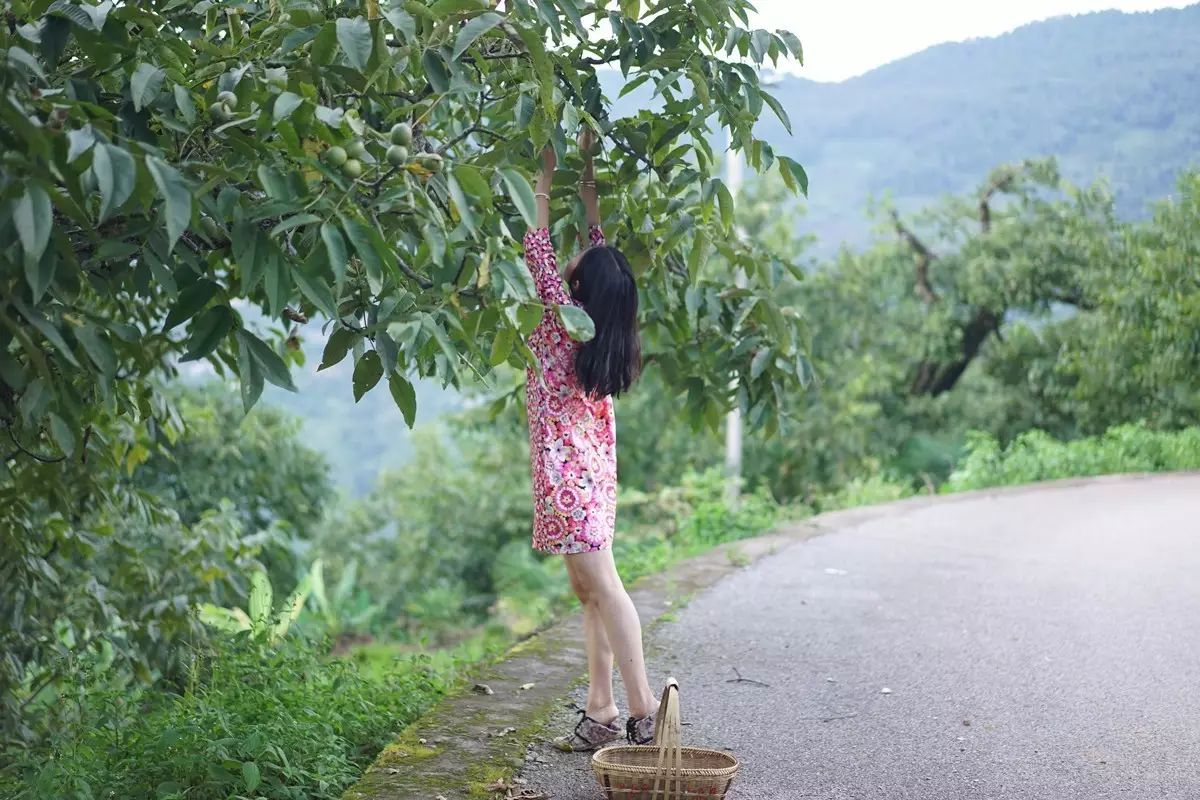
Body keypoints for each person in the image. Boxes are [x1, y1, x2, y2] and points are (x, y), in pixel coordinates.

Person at [523, 129, 657, 751]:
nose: (576, 255)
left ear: (575, 291)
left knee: (603, 587)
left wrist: (543, 180)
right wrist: (587, 169)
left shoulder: (559, 322)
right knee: (589, 592)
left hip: (569, 481)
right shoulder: (598, 328)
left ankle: (643, 708)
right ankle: (600, 709)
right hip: (592, 476)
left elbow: (537, 242)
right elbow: (595, 246)